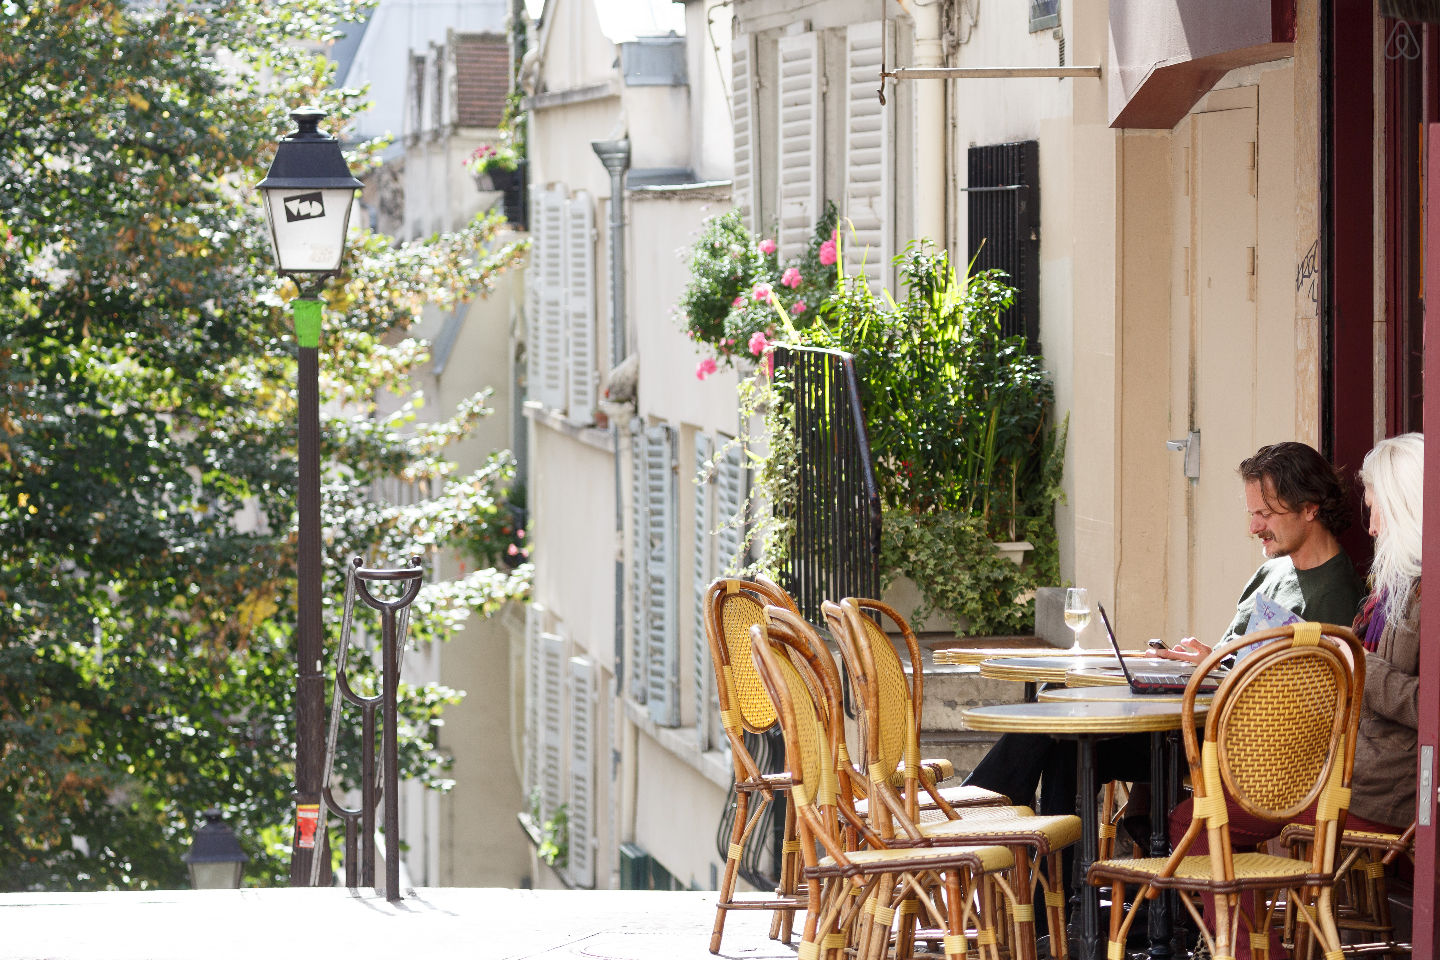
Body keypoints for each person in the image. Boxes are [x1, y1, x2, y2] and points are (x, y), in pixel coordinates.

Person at [964, 441, 1366, 816]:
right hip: (1195, 717)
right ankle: (1045, 865)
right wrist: (1197, 659)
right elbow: (1238, 656)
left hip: (1233, 745)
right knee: (1063, 727)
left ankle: (975, 815)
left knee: (1064, 728)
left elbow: (1305, 705)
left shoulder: (1337, 593)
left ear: (1309, 508)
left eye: (1266, 514)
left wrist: (1217, 666)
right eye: (1252, 514)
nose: (1253, 527)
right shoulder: (1273, 571)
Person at [1165, 433, 1422, 959]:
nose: (1372, 527)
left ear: (1406, 508)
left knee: (1198, 821)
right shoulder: (1395, 587)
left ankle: (1249, 953)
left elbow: (1425, 706)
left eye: (1378, 510)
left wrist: (1349, 656)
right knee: (1197, 811)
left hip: (1375, 787)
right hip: (1346, 771)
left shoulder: (1423, 596)